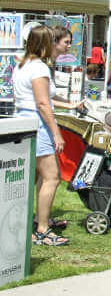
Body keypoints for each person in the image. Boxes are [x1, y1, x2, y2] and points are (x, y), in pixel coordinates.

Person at [13, 26, 69, 246]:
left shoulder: (22, 64)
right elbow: (43, 104)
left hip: (23, 121)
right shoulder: (39, 69)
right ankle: (42, 229)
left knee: (35, 177)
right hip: (38, 124)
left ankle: (37, 219)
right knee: (52, 177)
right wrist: (56, 133)